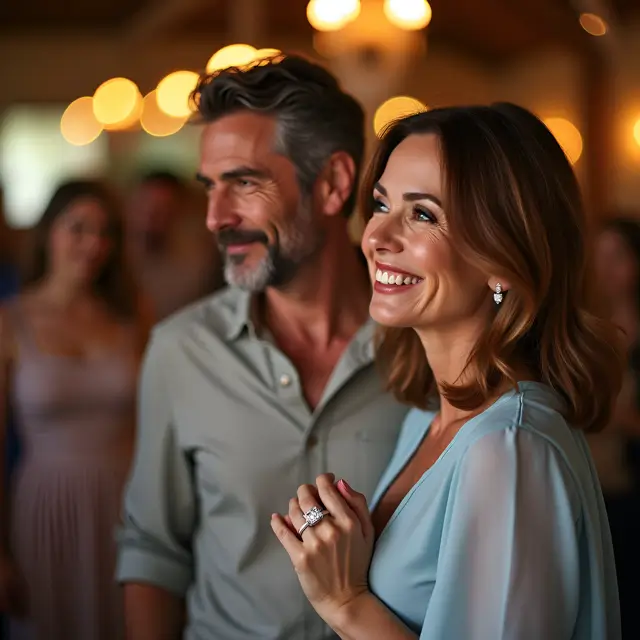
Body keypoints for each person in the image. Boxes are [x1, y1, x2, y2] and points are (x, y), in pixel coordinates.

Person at [272, 104, 623, 639]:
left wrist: (344, 601)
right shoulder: (427, 419)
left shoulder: (509, 448)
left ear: (504, 256)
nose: (376, 238)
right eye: (381, 204)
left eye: (424, 215)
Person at [116, 54, 410, 639]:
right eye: (210, 188)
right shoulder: (180, 351)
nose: (215, 217)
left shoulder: (427, 349)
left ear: (332, 184)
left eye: (244, 183)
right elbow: (153, 552)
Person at [0, 180, 147, 640]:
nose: (93, 244)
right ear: (48, 233)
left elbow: (161, 421)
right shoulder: (11, 321)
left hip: (127, 506)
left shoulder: (133, 315)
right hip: (46, 507)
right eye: (78, 228)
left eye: (105, 233)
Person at [591, 217, 640, 638]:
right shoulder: (588, 334)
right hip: (593, 491)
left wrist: (621, 417)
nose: (605, 269)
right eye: (598, 257)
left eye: (617, 257)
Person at [125, 170, 222, 321]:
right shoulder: (108, 254)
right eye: (145, 205)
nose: (150, 217)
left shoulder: (198, 264)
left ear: (179, 212)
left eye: (162, 209)